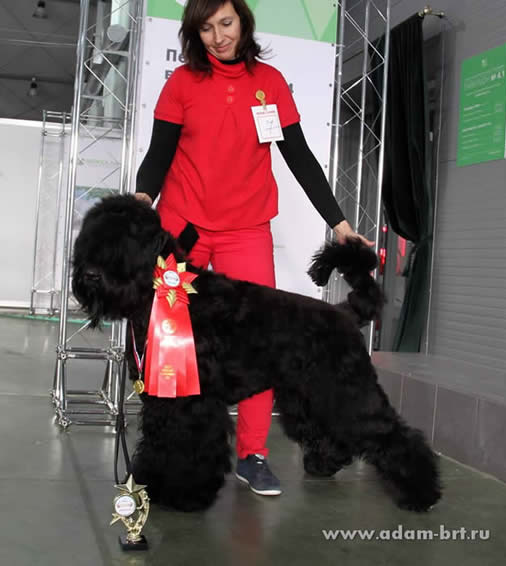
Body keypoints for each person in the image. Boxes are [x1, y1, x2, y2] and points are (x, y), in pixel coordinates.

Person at [136, 0, 374, 497]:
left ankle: (253, 455)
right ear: (195, 34)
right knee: (173, 345)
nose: (218, 36)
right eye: (206, 28)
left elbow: (300, 157)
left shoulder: (269, 83)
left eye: (226, 23)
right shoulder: (182, 83)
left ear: (243, 21)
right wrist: (140, 203)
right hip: (183, 230)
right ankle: (171, 451)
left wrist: (340, 224)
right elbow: (158, 154)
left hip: (245, 230)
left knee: (260, 342)